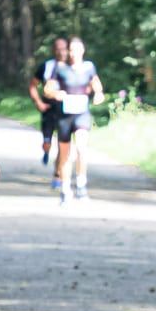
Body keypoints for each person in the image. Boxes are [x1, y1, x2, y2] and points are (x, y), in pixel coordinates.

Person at [48, 34, 103, 203]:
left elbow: (96, 85)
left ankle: (81, 185)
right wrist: (57, 93)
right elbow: (48, 89)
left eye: (76, 50)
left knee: (81, 147)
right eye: (71, 50)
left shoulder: (88, 67)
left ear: (82, 50)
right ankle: (65, 189)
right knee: (65, 154)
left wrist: (99, 94)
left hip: (82, 114)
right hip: (65, 116)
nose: (73, 54)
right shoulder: (60, 68)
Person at [28, 36, 68, 168]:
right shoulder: (46, 66)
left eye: (63, 49)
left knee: (63, 143)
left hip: (66, 109)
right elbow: (33, 85)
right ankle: (46, 150)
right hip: (48, 109)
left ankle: (58, 173)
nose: (61, 52)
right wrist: (38, 102)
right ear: (53, 50)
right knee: (47, 142)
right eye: (58, 49)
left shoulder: (72, 67)